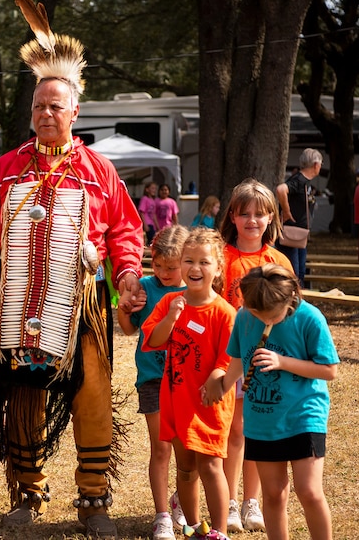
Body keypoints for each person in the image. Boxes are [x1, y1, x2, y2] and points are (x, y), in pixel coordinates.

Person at [0, 0, 143, 536]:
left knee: (92, 397)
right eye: (39, 106)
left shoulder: (98, 170)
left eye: (56, 105)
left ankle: (93, 501)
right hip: (18, 306)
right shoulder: (7, 169)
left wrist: (126, 275)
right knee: (23, 399)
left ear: (75, 111)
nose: (46, 114)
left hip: (82, 306)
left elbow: (126, 231)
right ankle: (27, 494)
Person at [206, 264, 338, 540]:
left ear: (290, 297)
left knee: (309, 491)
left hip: (303, 415)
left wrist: (282, 362)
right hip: (261, 419)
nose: (260, 318)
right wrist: (218, 386)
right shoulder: (245, 316)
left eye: (268, 315)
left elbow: (329, 370)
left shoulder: (309, 318)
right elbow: (236, 363)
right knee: (274, 494)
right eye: (255, 312)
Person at [141, 228, 235, 539]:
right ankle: (195, 527)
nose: (195, 268)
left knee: (210, 466)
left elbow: (230, 359)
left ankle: (219, 531)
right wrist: (170, 317)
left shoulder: (224, 313)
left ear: (218, 268)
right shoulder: (170, 301)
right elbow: (152, 339)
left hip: (210, 403)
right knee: (185, 467)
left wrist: (215, 378)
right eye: (188, 261)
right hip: (176, 399)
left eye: (204, 262)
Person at [218, 178, 292, 533]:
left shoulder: (276, 260)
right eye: (244, 213)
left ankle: (252, 503)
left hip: (265, 362)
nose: (251, 220)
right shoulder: (221, 257)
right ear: (232, 216)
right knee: (234, 431)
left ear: (271, 218)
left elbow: (291, 311)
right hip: (227, 361)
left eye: (260, 214)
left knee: (257, 431)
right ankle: (230, 502)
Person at [117, 225, 189, 540]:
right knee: (160, 449)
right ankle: (162, 515)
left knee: (188, 449)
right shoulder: (144, 288)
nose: (161, 272)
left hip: (188, 381)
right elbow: (130, 329)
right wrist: (124, 308)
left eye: (170, 268)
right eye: (156, 265)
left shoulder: (195, 291)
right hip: (153, 379)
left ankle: (181, 501)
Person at [276, 148, 322, 286]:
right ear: (315, 165)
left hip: (300, 235)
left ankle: (298, 302)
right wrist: (286, 211)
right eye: (321, 163)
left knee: (300, 272)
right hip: (290, 235)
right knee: (293, 274)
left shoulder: (305, 182)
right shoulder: (299, 180)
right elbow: (281, 189)